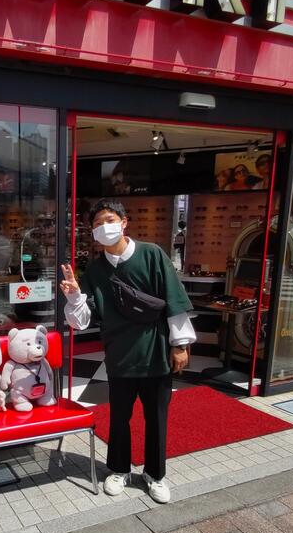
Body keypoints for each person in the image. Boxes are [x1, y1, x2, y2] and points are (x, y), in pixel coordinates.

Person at [60, 199, 196, 504]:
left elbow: (174, 299)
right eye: (97, 224)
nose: (103, 227)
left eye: (109, 220)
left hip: (156, 350)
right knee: (119, 417)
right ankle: (119, 470)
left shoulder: (152, 254)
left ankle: (155, 475)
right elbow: (82, 321)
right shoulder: (96, 270)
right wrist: (74, 297)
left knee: (157, 418)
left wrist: (180, 345)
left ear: (124, 222)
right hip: (119, 354)